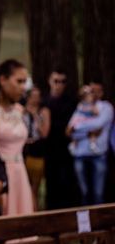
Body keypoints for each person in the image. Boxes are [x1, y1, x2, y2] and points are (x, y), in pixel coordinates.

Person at [0, 60, 34, 216]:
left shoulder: (20, 110)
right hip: (0, 175)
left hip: (20, 172)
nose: (23, 87)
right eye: (19, 81)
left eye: (25, 82)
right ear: (3, 80)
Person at [66, 81, 114, 205]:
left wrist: (78, 128)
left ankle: (99, 223)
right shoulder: (81, 107)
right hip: (80, 155)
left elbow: (98, 125)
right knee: (83, 193)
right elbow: (70, 130)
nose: (92, 94)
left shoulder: (105, 107)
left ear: (101, 92)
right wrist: (86, 132)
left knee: (98, 193)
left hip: (98, 155)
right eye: (90, 91)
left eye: (95, 91)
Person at [43, 69, 80, 209]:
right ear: (50, 81)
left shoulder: (71, 102)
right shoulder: (44, 101)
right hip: (49, 151)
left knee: (66, 184)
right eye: (56, 81)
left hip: (66, 152)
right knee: (51, 184)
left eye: (62, 81)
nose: (59, 84)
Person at [22, 85, 50, 209]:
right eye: (33, 96)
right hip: (22, 151)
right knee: (24, 186)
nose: (35, 99)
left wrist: (35, 115)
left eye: (38, 97)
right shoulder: (20, 110)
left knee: (35, 187)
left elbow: (44, 133)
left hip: (37, 151)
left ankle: (35, 210)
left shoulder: (43, 111)